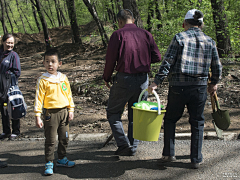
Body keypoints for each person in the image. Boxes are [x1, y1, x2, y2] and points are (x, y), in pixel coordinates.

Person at [148, 9, 222, 169]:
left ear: (185, 23)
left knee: (170, 119)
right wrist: (213, 83)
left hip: (179, 87)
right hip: (200, 88)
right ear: (201, 24)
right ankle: (195, 159)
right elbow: (217, 66)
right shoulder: (210, 41)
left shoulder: (179, 37)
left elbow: (167, 62)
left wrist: (156, 82)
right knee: (197, 121)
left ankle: (168, 154)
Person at [103, 9, 161, 156]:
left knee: (113, 112)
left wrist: (107, 77)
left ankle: (123, 144)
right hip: (142, 79)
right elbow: (157, 57)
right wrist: (144, 60)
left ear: (120, 22)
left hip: (124, 79)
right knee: (137, 113)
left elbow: (110, 60)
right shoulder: (146, 34)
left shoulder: (117, 34)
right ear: (133, 20)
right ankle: (132, 147)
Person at [34, 48, 75, 176]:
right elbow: (38, 98)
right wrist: (37, 115)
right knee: (51, 140)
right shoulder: (43, 80)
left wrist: (71, 109)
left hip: (64, 113)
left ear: (59, 64)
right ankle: (49, 162)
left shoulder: (63, 78)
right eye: (47, 61)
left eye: (53, 61)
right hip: (50, 115)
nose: (50, 64)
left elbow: (68, 94)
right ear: (43, 63)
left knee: (64, 138)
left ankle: (62, 158)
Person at [0, 34, 21, 141]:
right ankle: (6, 131)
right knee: (3, 109)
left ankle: (16, 131)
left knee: (13, 108)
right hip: (0, 87)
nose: (10, 45)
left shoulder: (14, 55)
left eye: (12, 43)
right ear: (3, 42)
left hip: (10, 87)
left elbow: (17, 72)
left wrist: (8, 77)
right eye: (8, 42)